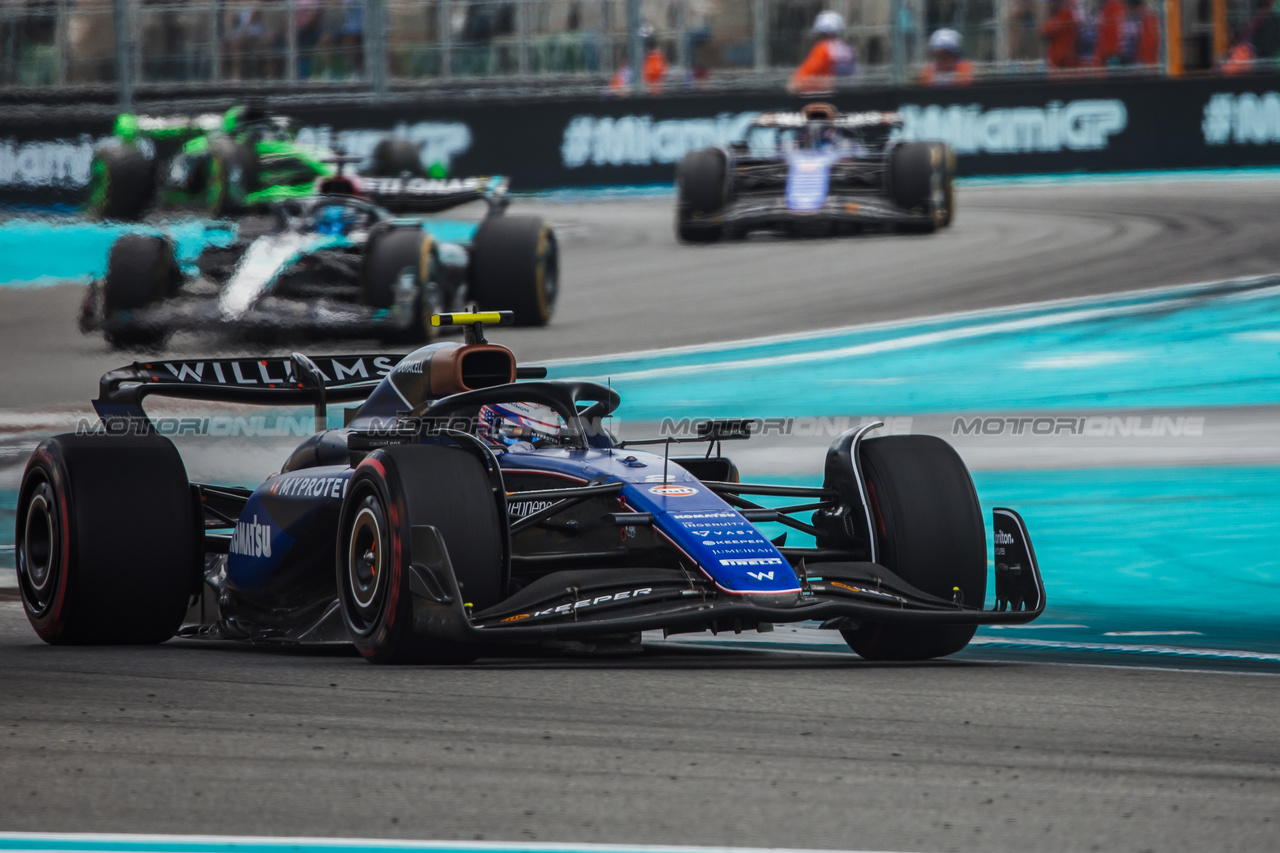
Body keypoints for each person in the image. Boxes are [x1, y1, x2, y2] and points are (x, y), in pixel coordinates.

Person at [788, 11, 856, 94]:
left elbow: (802, 79)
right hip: (844, 97)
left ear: (821, 33)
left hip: (818, 97)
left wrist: (793, 85)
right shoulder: (847, 49)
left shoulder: (822, 49)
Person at [610, 25, 669, 94]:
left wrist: (632, 89)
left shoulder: (655, 59)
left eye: (649, 44)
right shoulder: (630, 63)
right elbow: (616, 86)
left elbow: (655, 85)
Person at [1041, 0, 1082, 70]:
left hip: (1062, 61)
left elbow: (1044, 31)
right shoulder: (1068, 12)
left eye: (1052, 2)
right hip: (1065, 60)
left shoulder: (1065, 13)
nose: (1050, 4)